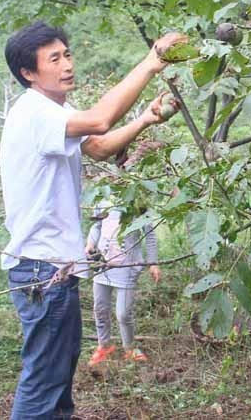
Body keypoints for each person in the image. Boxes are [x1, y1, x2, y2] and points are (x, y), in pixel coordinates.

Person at [0, 21, 185, 420]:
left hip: (53, 267)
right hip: (41, 269)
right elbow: (100, 121)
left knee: (57, 376)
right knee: (45, 380)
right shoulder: (33, 113)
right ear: (28, 73)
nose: (67, 64)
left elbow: (98, 147)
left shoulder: (54, 111)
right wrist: (152, 62)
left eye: (67, 54)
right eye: (54, 58)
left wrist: (144, 121)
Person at [85, 145, 163, 366]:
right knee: (100, 308)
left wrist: (153, 263)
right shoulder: (104, 197)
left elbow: (149, 235)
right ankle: (104, 345)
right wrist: (90, 245)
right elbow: (96, 226)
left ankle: (129, 348)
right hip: (103, 263)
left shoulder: (138, 201)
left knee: (123, 313)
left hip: (127, 264)